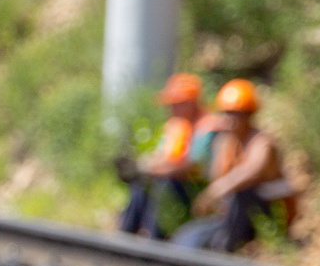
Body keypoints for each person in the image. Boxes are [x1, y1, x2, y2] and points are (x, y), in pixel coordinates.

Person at [175, 78, 298, 253]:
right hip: (231, 217)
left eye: (237, 114)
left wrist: (217, 189)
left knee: (243, 193)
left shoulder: (262, 142)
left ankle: (225, 249)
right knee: (187, 237)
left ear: (249, 115)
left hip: (264, 216)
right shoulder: (227, 144)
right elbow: (217, 177)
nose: (230, 120)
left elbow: (252, 172)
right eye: (227, 113)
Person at [116, 72, 202, 239]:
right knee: (141, 184)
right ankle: (126, 234)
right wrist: (141, 165)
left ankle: (155, 238)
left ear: (189, 103)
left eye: (175, 104)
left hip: (191, 189)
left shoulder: (205, 127)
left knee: (163, 184)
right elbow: (161, 155)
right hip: (169, 181)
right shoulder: (175, 126)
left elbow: (194, 164)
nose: (170, 108)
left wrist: (153, 170)